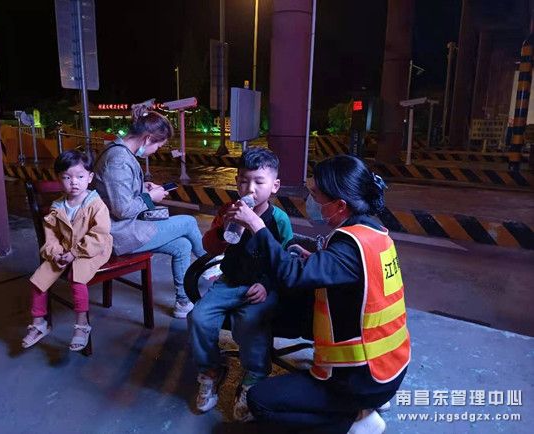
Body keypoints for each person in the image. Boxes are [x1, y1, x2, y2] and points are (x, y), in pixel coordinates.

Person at [225, 155, 410, 434]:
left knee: (260, 402)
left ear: (340, 205)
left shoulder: (348, 246)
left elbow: (291, 275)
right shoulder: (372, 232)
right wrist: (316, 260)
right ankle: (362, 405)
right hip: (390, 364)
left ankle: (354, 420)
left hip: (362, 378)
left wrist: (256, 225)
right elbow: (350, 276)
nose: (310, 200)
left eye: (316, 195)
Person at [188, 147, 293, 421]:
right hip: (229, 281)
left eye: (259, 182)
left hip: (262, 286)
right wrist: (222, 229)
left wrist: (268, 285)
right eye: (244, 181)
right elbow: (210, 247)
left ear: (274, 186)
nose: (251, 189)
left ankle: (254, 375)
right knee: (198, 317)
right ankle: (211, 370)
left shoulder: (279, 220)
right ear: (236, 182)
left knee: (249, 322)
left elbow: (286, 259)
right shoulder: (228, 210)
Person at [93, 103, 206, 318]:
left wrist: (142, 188)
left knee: (182, 245)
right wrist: (150, 197)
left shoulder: (117, 151)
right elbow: (122, 209)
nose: (156, 151)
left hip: (122, 227)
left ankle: (183, 303)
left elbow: (117, 192)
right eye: (158, 146)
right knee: (188, 222)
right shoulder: (119, 160)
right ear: (147, 139)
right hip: (116, 233)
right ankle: (211, 264)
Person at [22, 150, 113, 351]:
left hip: (93, 249)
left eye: (80, 176)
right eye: (67, 177)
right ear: (59, 179)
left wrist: (74, 253)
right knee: (39, 279)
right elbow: (52, 236)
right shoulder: (58, 206)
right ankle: (39, 323)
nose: (74, 182)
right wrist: (55, 253)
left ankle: (82, 325)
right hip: (64, 249)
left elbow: (100, 234)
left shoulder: (96, 204)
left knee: (77, 277)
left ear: (90, 177)